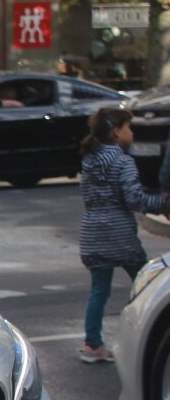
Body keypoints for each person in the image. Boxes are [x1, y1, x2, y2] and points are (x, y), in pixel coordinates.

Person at [76, 108, 167, 362]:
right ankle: (151, 337)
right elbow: (135, 198)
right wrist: (163, 205)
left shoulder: (89, 161)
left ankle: (92, 345)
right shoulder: (123, 162)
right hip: (120, 235)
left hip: (93, 232)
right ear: (117, 132)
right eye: (129, 127)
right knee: (149, 284)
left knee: (99, 292)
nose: (132, 132)